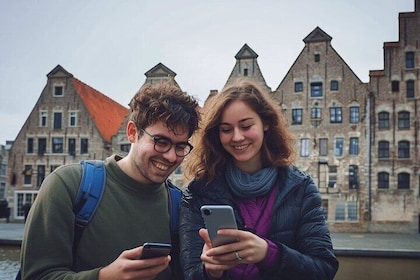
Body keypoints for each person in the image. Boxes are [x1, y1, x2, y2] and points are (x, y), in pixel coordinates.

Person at [20, 81, 200, 280]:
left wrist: (210, 269)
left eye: (180, 147)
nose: (171, 156)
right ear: (132, 132)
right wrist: (103, 277)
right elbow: (36, 275)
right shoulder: (68, 185)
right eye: (161, 142)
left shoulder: (178, 202)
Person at [179, 79, 339, 279]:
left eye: (246, 126)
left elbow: (324, 268)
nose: (237, 137)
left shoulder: (300, 188)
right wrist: (210, 271)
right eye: (226, 129)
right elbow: (189, 273)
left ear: (266, 123)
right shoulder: (198, 192)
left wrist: (269, 253)